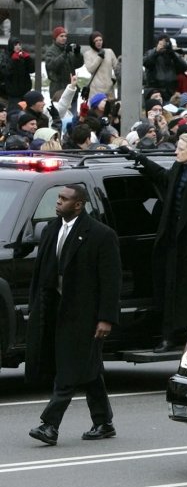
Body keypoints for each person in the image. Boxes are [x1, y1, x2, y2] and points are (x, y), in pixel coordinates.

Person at [26, 185, 122, 446]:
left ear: (78, 204)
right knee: (88, 367)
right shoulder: (51, 229)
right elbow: (41, 273)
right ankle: (103, 422)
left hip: (85, 314)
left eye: (64, 199)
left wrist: (106, 318)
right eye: (58, 198)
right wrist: (36, 306)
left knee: (69, 368)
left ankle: (49, 425)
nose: (58, 203)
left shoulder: (101, 235)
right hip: (55, 310)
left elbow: (111, 281)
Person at [134, 134, 187, 352]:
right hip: (172, 240)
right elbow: (164, 177)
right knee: (169, 289)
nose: (176, 152)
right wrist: (141, 160)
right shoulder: (178, 169)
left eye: (180, 149)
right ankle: (167, 335)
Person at [43, 27, 84, 99]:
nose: (64, 38)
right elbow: (52, 66)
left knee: (73, 110)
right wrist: (64, 54)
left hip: (71, 87)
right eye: (61, 36)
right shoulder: (51, 51)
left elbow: (78, 64)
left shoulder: (68, 49)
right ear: (55, 37)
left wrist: (78, 54)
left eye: (65, 36)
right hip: (58, 90)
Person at [82, 31, 119, 99]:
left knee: (110, 109)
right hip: (95, 90)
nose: (99, 42)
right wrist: (99, 57)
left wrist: (113, 79)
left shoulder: (109, 52)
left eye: (100, 40)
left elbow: (117, 68)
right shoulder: (88, 54)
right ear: (92, 42)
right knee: (97, 109)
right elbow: (90, 69)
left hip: (109, 89)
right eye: (96, 41)